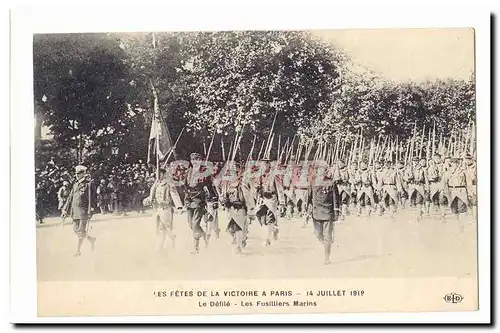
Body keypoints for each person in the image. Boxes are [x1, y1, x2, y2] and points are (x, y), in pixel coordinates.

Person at [307, 160, 341, 265]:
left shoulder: (331, 182)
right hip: (316, 212)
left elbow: (336, 198)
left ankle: (327, 257)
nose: (320, 171)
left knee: (327, 236)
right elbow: (309, 196)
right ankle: (327, 244)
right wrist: (308, 209)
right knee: (318, 234)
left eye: (322, 169)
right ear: (316, 171)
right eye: (318, 169)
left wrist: (336, 211)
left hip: (328, 211)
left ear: (325, 170)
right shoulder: (312, 182)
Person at [184, 152, 218, 254]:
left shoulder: (205, 172)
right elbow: (185, 187)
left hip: (199, 200)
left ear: (200, 160)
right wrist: (185, 199)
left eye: (197, 159)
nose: (195, 161)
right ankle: (204, 235)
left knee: (195, 224)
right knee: (191, 224)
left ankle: (196, 248)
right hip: (189, 200)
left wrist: (214, 198)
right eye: (193, 159)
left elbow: (210, 186)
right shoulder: (188, 172)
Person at [143, 167, 183, 252]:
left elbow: (174, 195)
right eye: (157, 174)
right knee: (160, 229)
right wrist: (147, 199)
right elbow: (153, 195)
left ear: (164, 174)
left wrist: (179, 206)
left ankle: (172, 240)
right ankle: (162, 246)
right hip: (157, 209)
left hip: (166, 209)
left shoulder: (169, 184)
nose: (158, 175)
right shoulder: (156, 184)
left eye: (160, 173)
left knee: (167, 228)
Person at [61, 165, 96, 257]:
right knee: (75, 229)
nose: (77, 175)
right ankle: (90, 239)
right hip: (75, 211)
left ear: (84, 174)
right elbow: (70, 198)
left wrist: (92, 208)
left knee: (80, 231)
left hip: (84, 211)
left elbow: (93, 197)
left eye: (79, 173)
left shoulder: (88, 184)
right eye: (76, 173)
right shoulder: (75, 184)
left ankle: (78, 251)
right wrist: (65, 209)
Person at [221, 161, 255, 253]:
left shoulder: (242, 185)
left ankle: (239, 247)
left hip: (240, 209)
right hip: (231, 209)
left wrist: (251, 211)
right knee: (230, 229)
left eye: (234, 172)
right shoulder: (227, 184)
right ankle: (242, 238)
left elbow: (248, 198)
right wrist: (224, 201)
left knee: (238, 227)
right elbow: (224, 195)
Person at [255, 157, 285, 247]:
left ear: (269, 165)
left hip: (271, 199)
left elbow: (280, 189)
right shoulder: (260, 176)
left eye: (265, 165)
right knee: (261, 218)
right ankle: (274, 229)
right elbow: (257, 188)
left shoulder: (274, 175)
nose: (263, 167)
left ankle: (267, 239)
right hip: (262, 200)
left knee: (270, 219)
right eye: (262, 166)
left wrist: (282, 202)